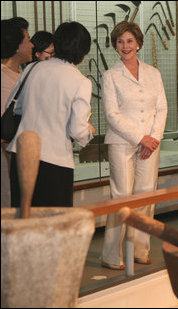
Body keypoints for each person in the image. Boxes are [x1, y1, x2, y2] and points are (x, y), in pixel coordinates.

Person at [101, 21, 167, 269]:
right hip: (122, 142)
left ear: (138, 43)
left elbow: (161, 108)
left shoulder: (154, 73)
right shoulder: (110, 76)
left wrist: (153, 139)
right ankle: (111, 254)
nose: (125, 46)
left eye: (129, 41)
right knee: (121, 197)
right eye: (120, 42)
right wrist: (141, 138)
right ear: (115, 46)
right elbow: (112, 115)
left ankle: (140, 249)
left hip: (151, 144)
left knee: (146, 196)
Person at [6, 21, 95, 207]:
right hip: (54, 162)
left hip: (21, 157)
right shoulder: (80, 81)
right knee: (53, 226)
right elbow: (77, 130)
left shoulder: (32, 68)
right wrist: (89, 131)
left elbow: (15, 107)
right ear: (83, 52)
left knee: (23, 222)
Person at [1, 17, 33, 207]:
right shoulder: (4, 79)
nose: (32, 45)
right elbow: (5, 132)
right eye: (28, 39)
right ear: (16, 45)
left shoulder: (20, 76)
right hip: (9, 162)